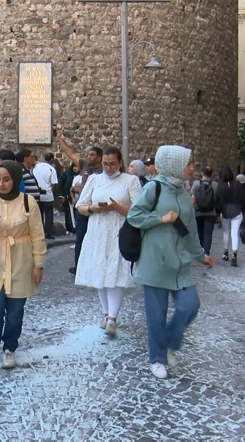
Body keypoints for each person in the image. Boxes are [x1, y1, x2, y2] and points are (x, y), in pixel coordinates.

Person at [127, 145, 214, 379]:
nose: (192, 168)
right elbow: (134, 216)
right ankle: (157, 358)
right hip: (154, 262)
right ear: (174, 165)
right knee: (156, 316)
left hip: (180, 264)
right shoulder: (152, 188)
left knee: (189, 306)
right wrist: (160, 218)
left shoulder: (184, 193)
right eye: (188, 164)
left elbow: (190, 231)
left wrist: (201, 255)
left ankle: (168, 343)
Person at [0, 160, 46, 372]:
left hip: (20, 261)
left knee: (15, 311)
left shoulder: (28, 202)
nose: (2, 184)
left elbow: (37, 235)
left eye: (6, 179)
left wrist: (38, 265)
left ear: (14, 179)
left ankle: (9, 349)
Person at [74, 147, 141, 337]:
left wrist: (117, 207)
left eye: (112, 164)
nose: (108, 168)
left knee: (115, 272)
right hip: (97, 230)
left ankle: (112, 317)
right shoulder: (94, 180)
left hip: (119, 230)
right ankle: (106, 313)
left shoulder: (130, 181)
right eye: (105, 164)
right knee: (100, 271)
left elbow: (139, 210)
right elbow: (80, 206)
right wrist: (93, 208)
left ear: (120, 163)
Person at [56, 132, 103, 274]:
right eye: (88, 154)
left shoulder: (103, 171)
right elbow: (71, 154)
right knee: (80, 237)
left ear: (99, 158)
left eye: (92, 155)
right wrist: (60, 139)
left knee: (96, 238)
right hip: (83, 207)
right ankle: (79, 266)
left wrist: (84, 187)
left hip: (96, 207)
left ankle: (95, 266)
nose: (89, 157)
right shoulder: (86, 166)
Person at [216, 165, 245, 267]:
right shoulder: (238, 184)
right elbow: (243, 199)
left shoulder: (220, 186)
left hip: (225, 210)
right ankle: (234, 254)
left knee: (226, 232)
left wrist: (218, 212)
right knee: (234, 233)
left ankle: (225, 252)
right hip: (237, 210)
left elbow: (218, 200)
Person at [190, 165, 219, 256]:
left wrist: (192, 211)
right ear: (211, 174)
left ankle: (201, 250)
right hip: (211, 213)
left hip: (198, 212)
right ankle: (206, 252)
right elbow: (217, 199)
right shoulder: (215, 185)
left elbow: (192, 199)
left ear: (202, 173)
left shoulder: (196, 183)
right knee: (208, 233)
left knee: (199, 232)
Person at [33, 152, 59, 239]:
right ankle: (47, 232)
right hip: (47, 194)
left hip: (37, 193)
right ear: (51, 159)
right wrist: (53, 195)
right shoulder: (51, 169)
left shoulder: (36, 167)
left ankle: (39, 232)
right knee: (48, 214)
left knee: (39, 214)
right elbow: (53, 184)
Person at [57, 161, 78, 234]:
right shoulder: (66, 174)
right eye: (74, 166)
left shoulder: (80, 176)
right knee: (70, 213)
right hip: (68, 197)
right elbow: (61, 185)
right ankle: (71, 228)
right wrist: (61, 195)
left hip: (78, 197)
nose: (75, 168)